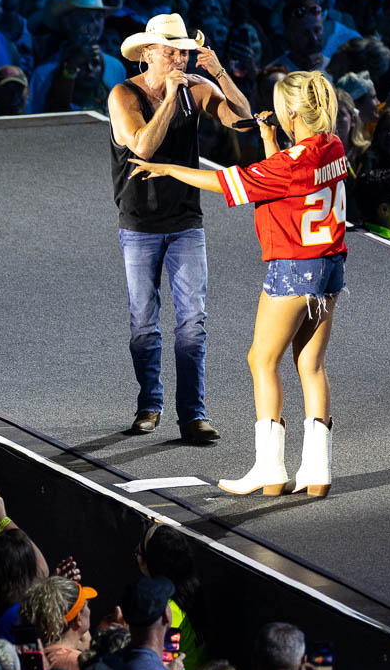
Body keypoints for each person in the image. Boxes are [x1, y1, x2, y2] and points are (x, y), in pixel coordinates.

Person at [132, 71, 346, 496]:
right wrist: (269, 140)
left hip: (292, 267)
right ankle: (317, 470)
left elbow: (228, 182)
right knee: (311, 365)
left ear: (290, 114)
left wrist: (168, 169)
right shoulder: (333, 147)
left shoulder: (288, 165)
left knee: (261, 360)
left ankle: (270, 468)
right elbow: (284, 181)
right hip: (329, 268)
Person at [108, 12, 252, 442]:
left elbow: (243, 119)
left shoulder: (196, 87)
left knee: (192, 323)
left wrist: (220, 75)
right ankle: (149, 405)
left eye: (184, 53)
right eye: (171, 52)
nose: (180, 59)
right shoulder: (124, 95)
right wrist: (171, 97)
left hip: (187, 221)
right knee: (143, 323)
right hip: (140, 223)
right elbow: (143, 146)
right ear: (148, 53)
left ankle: (192, 415)